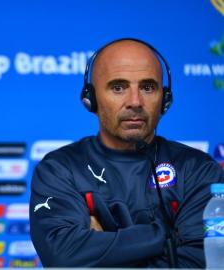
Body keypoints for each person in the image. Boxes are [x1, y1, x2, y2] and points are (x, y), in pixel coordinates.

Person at [29, 38, 224, 268]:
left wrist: (102, 247)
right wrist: (165, 236)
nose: (135, 101)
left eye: (148, 87)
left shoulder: (198, 170)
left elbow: (199, 263)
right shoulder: (60, 170)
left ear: (165, 99)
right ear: (91, 99)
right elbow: (63, 257)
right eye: (118, 87)